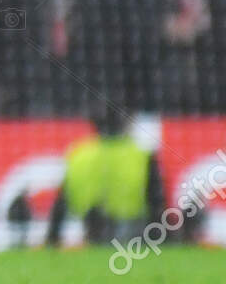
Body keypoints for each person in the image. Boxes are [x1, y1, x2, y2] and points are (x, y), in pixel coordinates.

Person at [46, 103, 164, 247]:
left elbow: (61, 203)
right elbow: (157, 203)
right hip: (134, 237)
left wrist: (52, 238)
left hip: (91, 234)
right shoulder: (141, 155)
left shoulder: (79, 154)